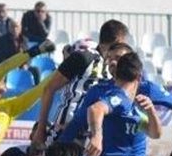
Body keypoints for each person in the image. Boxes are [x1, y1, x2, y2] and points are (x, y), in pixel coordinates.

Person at [31, 19, 128, 148]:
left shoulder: (115, 67)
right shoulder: (84, 57)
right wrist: (41, 128)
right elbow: (49, 89)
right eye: (123, 43)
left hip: (91, 133)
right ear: (118, 40)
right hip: (66, 128)